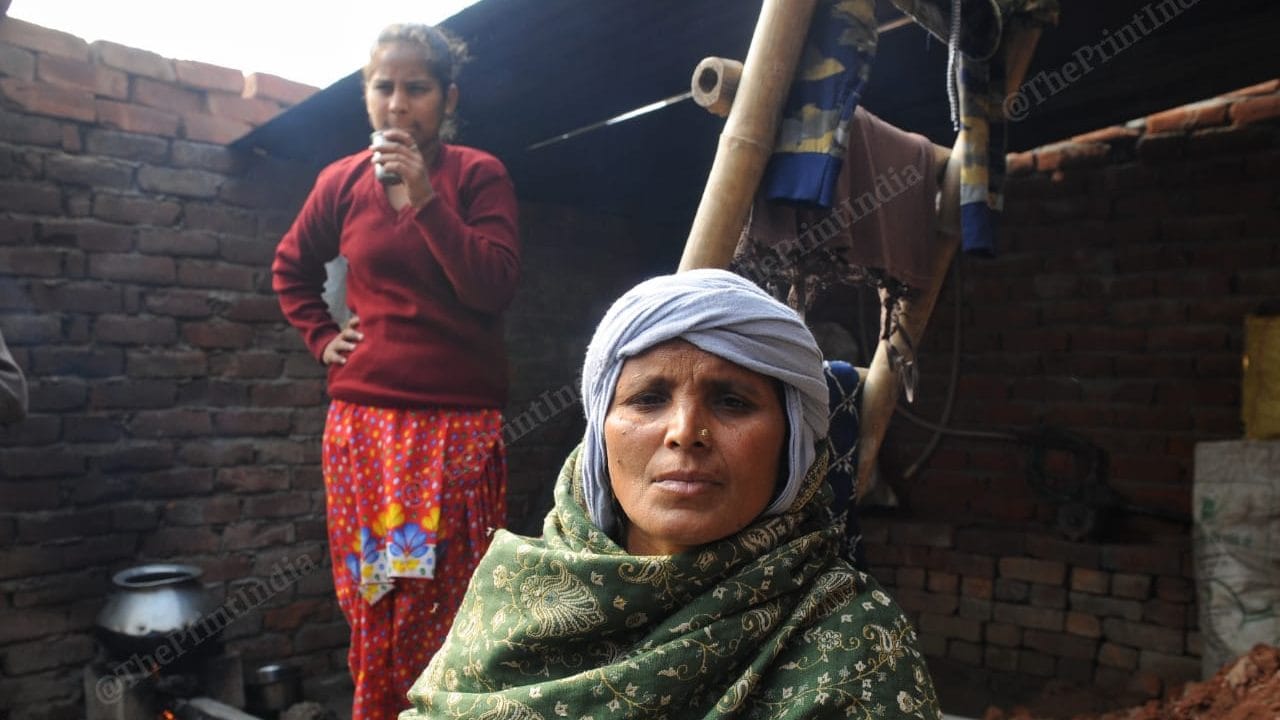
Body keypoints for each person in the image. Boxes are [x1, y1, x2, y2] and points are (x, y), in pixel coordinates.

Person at [402, 269, 940, 719]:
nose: (685, 431)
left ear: (792, 444)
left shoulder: (854, 643)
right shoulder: (513, 591)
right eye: (649, 398)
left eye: (732, 402)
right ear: (601, 433)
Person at [271, 22, 519, 720]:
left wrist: (425, 202)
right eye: (385, 87)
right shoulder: (340, 183)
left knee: (445, 599)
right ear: (366, 96)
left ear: (447, 98)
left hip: (454, 434)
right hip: (367, 434)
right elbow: (290, 268)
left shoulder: (477, 175)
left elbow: (492, 286)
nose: (399, 103)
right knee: (376, 599)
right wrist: (322, 338)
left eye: (417, 88)